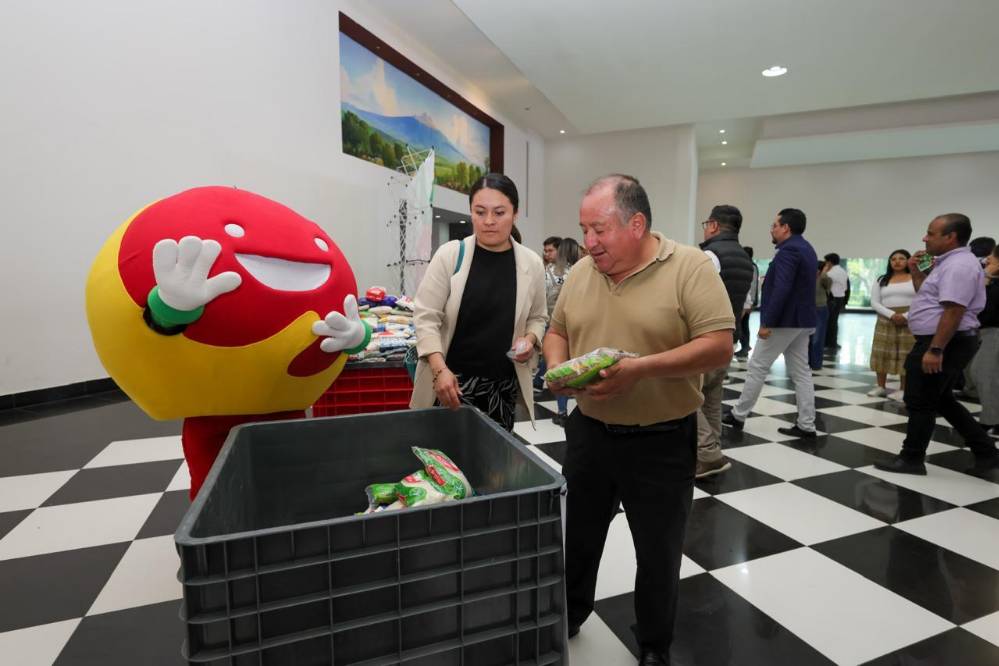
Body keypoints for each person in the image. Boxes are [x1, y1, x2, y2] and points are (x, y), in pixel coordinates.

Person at [545, 174, 734, 666]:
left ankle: (653, 644)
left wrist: (639, 371)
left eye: (599, 229)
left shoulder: (690, 267)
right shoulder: (584, 273)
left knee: (657, 550)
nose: (588, 242)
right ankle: (568, 616)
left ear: (637, 223)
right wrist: (557, 366)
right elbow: (558, 330)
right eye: (583, 229)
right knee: (579, 536)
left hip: (662, 439)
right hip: (589, 432)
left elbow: (718, 346)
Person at [411, 173, 547, 430]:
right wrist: (440, 370)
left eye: (499, 212)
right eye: (480, 212)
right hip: (449, 385)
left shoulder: (531, 263)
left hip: (502, 388)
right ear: (471, 212)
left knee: (492, 465)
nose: (489, 221)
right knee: (445, 463)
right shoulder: (451, 255)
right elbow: (426, 316)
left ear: (515, 214)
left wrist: (529, 340)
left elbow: (538, 317)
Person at [874, 214, 998, 476]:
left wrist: (936, 349)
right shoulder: (948, 264)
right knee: (941, 400)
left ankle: (912, 459)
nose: (924, 237)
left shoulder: (958, 266)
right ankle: (986, 452)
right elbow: (928, 297)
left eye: (930, 233)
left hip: (944, 342)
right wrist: (918, 272)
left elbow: (954, 310)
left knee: (919, 401)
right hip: (941, 340)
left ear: (950, 237)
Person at [722, 209, 819, 438]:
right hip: (802, 320)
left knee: (757, 367)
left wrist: (767, 322)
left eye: (775, 225)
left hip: (783, 321)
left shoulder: (788, 251)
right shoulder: (807, 248)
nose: (771, 229)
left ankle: (738, 415)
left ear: (786, 227)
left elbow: (782, 288)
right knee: (801, 372)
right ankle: (807, 424)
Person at [696, 205, 754, 478]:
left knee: (684, 395)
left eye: (706, 223)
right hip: (727, 338)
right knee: (712, 397)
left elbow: (696, 297)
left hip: (705, 337)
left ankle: (708, 454)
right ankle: (713, 448)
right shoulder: (743, 257)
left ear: (714, 226)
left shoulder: (711, 254)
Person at [867, 250, 917, 400]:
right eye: (893, 259)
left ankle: (903, 389)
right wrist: (891, 315)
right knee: (882, 352)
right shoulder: (882, 279)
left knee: (905, 353)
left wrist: (906, 316)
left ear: (908, 261)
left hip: (909, 319)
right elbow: (874, 302)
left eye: (901, 258)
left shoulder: (915, 278)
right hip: (886, 319)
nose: (897, 261)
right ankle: (881, 386)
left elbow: (922, 299)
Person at [549, 237, 581, 426]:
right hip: (577, 326)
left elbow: (543, 296)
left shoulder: (550, 272)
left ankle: (562, 411)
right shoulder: (582, 271)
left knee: (560, 368)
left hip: (556, 324)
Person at [968, 245, 999, 437]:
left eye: (992, 258)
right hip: (988, 332)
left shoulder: (992, 283)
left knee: (983, 374)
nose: (987, 260)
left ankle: (991, 419)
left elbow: (982, 306)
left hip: (994, 332)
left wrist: (986, 277)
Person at [535, 236, 564, 391]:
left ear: (560, 250)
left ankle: (541, 379)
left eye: (550, 250)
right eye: (545, 251)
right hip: (544, 317)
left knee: (551, 350)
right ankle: (540, 379)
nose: (547, 254)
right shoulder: (543, 269)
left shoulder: (567, 270)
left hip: (559, 319)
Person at [736, 246, 759, 359]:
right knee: (744, 324)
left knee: (742, 325)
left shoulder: (751, 267)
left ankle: (745, 347)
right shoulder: (748, 265)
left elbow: (753, 285)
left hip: (747, 301)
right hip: (746, 300)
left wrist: (751, 302)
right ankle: (745, 346)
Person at [810, 260, 832, 370]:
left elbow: (827, 283)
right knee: (806, 338)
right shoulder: (807, 278)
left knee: (817, 338)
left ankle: (816, 363)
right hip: (808, 309)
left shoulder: (824, 279)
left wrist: (824, 273)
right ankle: (806, 362)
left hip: (820, 309)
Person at [824, 253, 849, 350]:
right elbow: (846, 287)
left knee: (828, 321)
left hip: (831, 299)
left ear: (829, 262)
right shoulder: (843, 271)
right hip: (840, 298)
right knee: (834, 321)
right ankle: (833, 342)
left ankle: (827, 343)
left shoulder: (830, 273)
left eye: (826, 262)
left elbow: (825, 284)